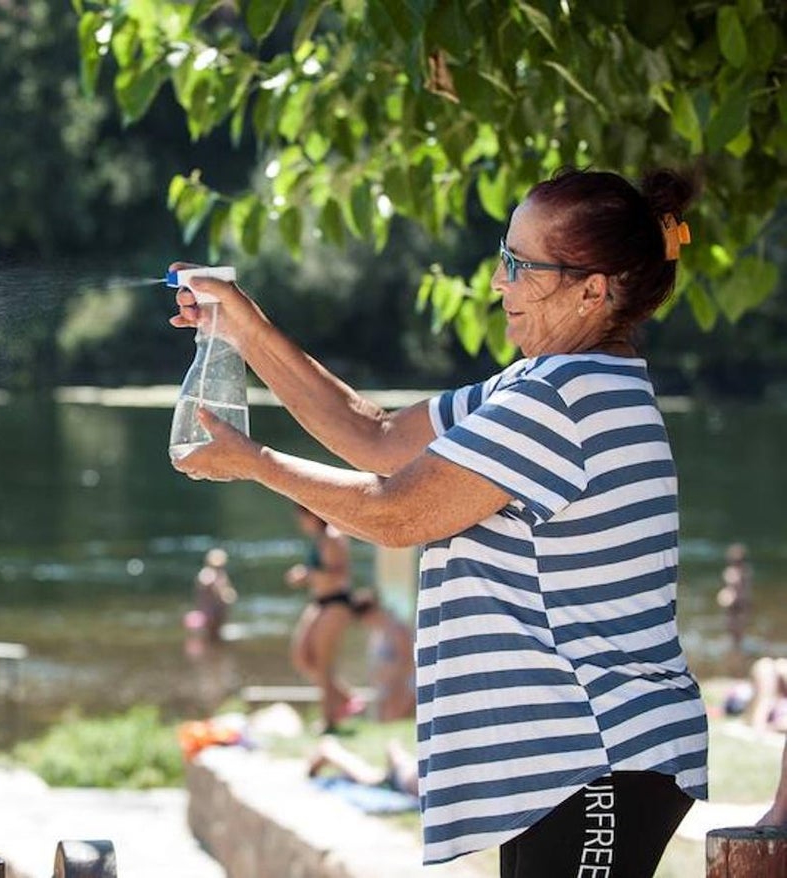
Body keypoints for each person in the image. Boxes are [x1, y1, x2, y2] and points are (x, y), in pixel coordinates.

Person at [167, 166, 708, 876]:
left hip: (597, 752)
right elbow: (379, 436)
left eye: (521, 266)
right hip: (576, 760)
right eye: (504, 257)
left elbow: (395, 514)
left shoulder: (562, 397)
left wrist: (254, 463)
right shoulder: (547, 382)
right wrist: (243, 327)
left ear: (592, 290)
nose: (498, 283)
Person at [284, 505, 364, 731]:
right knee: (302, 657)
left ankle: (329, 720)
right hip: (319, 602)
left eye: (302, 518)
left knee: (323, 663)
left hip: (336, 603)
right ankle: (347, 698)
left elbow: (339, 574)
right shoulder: (320, 537)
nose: (301, 523)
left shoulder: (332, 536)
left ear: (312, 515)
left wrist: (307, 574)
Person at [351, 588, 416, 721]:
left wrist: (397, 688)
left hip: (402, 689)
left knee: (393, 723)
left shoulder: (396, 629)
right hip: (387, 690)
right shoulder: (377, 633)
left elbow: (407, 661)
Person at [188, 547, 238, 642]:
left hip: (216, 611)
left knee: (216, 634)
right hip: (210, 612)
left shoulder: (221, 574)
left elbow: (226, 590)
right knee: (212, 634)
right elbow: (206, 585)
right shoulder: (207, 574)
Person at [717, 542, 752, 651]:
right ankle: (737, 646)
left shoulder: (731, 572)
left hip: (736, 602)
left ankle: (736, 646)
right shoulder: (746, 571)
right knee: (737, 625)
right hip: (739, 602)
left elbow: (732, 588)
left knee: (734, 625)